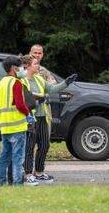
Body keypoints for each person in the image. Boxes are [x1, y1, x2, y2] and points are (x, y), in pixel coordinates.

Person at [20, 55, 77, 185]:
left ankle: (39, 172)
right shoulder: (22, 82)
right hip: (30, 118)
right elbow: (24, 100)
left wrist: (67, 82)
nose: (37, 66)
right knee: (29, 147)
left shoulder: (39, 79)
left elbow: (52, 89)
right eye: (35, 64)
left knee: (45, 145)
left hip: (42, 117)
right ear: (27, 66)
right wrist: (37, 100)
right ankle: (28, 174)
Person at [0, 56, 35, 185]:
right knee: (17, 157)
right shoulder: (16, 83)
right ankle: (17, 184)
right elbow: (20, 104)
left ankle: (2, 182)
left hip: (4, 127)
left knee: (4, 157)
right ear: (13, 68)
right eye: (20, 67)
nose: (22, 70)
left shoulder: (0, 84)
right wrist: (28, 113)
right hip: (17, 126)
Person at [29, 44, 57, 135]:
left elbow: (53, 84)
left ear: (42, 55)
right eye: (35, 53)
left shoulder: (43, 71)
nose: (37, 55)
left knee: (44, 140)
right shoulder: (24, 68)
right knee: (29, 140)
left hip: (44, 109)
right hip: (30, 108)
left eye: (39, 53)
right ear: (30, 53)